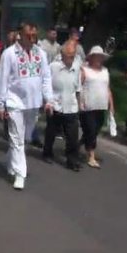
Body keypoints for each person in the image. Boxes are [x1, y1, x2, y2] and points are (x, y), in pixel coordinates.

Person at [0, 23, 53, 190]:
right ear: (20, 34)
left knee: (26, 138)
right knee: (17, 139)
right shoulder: (9, 54)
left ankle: (8, 161)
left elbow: (46, 78)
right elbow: (3, 80)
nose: (32, 37)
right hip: (15, 102)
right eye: (29, 34)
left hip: (34, 103)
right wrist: (0, 104)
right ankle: (20, 174)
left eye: (35, 34)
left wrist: (49, 99)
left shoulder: (40, 53)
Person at [43, 41, 82, 171]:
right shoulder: (53, 67)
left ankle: (72, 160)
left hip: (71, 107)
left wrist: (79, 104)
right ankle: (47, 153)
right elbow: (46, 84)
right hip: (56, 106)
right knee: (51, 132)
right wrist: (47, 102)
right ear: (62, 55)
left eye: (73, 55)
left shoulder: (77, 68)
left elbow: (78, 88)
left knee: (72, 137)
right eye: (69, 55)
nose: (71, 58)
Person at [79, 46, 114, 168]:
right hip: (88, 106)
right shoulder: (84, 70)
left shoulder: (105, 71)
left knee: (95, 129)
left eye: (101, 57)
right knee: (91, 130)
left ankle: (81, 143)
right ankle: (91, 156)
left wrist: (111, 105)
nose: (99, 59)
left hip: (101, 105)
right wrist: (79, 102)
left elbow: (107, 88)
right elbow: (79, 87)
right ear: (91, 58)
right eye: (97, 56)